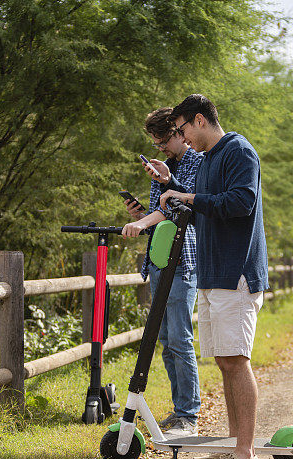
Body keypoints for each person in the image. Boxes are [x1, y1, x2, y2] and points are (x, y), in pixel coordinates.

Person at [158, 94, 268, 459]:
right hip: (210, 274)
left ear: (200, 120)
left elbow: (241, 202)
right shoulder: (206, 162)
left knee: (236, 360)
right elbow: (206, 205)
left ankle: (245, 455)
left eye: (183, 129)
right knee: (224, 362)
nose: (182, 138)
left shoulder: (238, 150)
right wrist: (180, 198)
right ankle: (234, 446)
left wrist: (189, 196)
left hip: (234, 273)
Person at [121, 107, 203, 438]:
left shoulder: (198, 161)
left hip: (182, 261)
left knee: (181, 339)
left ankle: (189, 416)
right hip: (159, 260)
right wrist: (141, 216)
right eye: (155, 144)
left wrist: (168, 183)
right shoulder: (160, 169)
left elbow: (187, 206)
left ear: (179, 132)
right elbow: (161, 210)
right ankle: (180, 410)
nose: (162, 148)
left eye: (164, 140)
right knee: (167, 341)